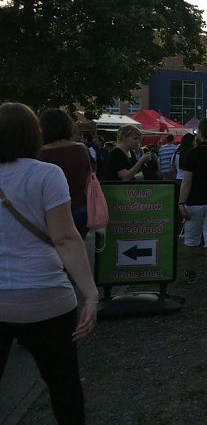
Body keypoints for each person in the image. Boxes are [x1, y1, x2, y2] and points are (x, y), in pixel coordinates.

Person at [0, 102, 99, 424]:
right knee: (63, 384)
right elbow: (65, 238)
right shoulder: (45, 174)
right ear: (34, 134)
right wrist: (90, 294)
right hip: (44, 294)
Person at [177, 118, 207, 294]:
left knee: (192, 240)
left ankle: (191, 271)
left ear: (200, 133)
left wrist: (181, 202)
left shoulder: (192, 154)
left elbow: (186, 182)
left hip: (194, 202)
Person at [38, 109, 92, 239]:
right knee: (76, 248)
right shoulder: (80, 149)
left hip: (51, 211)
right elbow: (89, 177)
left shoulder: (40, 153)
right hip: (80, 207)